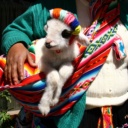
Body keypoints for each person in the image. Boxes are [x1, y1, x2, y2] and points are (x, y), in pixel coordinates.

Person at [1, 0, 128, 128]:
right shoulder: (50, 9)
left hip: (122, 112)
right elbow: (15, 30)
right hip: (75, 115)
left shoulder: (121, 8)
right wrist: (16, 46)